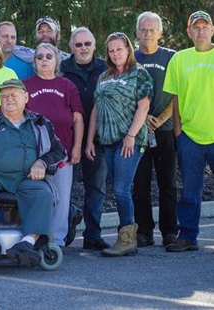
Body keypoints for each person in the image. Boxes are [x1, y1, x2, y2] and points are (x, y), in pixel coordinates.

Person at [0, 79, 67, 266]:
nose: (9, 99)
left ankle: (27, 243)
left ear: (26, 97)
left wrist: (42, 162)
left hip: (28, 177)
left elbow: (59, 152)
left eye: (14, 94)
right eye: (5, 95)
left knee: (43, 192)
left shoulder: (40, 123)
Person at [86, 32, 152, 257]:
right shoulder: (104, 76)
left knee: (121, 189)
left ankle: (127, 240)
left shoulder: (138, 73)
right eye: (111, 50)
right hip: (107, 141)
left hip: (130, 141)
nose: (115, 54)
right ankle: (127, 238)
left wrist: (131, 136)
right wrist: (89, 141)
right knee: (118, 189)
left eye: (119, 49)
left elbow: (144, 107)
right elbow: (96, 108)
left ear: (128, 49)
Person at [163, 10, 214, 252]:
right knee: (190, 191)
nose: (201, 30)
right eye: (196, 27)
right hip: (189, 137)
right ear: (189, 32)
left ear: (212, 30)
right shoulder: (179, 60)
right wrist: (178, 133)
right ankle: (188, 236)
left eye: (205, 26)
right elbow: (175, 98)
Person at [24, 43, 84, 247]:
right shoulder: (26, 85)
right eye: (39, 57)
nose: (44, 60)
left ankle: (56, 241)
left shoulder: (67, 86)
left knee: (61, 198)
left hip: (62, 153)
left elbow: (77, 119)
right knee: (36, 197)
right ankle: (34, 238)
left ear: (56, 61)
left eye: (48, 56)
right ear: (35, 62)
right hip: (33, 155)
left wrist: (76, 147)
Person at [61, 27, 110, 250]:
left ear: (94, 45)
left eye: (87, 44)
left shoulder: (105, 68)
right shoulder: (62, 68)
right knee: (64, 190)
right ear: (71, 47)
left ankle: (92, 235)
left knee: (96, 188)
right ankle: (63, 233)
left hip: (98, 138)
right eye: (78, 44)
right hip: (66, 138)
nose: (83, 48)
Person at [133, 12, 177, 248]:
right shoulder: (130, 58)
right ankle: (144, 232)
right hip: (137, 131)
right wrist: (142, 117)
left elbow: (179, 93)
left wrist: (161, 118)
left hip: (164, 129)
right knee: (140, 184)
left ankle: (170, 231)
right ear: (137, 32)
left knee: (167, 183)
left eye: (152, 30)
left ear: (160, 33)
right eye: (143, 29)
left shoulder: (171, 57)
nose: (148, 34)